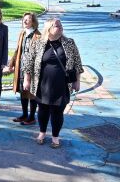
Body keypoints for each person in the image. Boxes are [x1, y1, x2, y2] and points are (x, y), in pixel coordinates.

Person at [23, 18, 83, 148]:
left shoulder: (69, 43)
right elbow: (28, 63)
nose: (61, 27)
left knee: (57, 112)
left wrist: (77, 81)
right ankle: (42, 133)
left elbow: (77, 63)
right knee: (43, 110)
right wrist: (27, 80)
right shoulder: (38, 43)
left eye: (61, 25)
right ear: (48, 29)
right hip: (42, 84)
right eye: (57, 26)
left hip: (61, 85)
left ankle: (55, 137)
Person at [9, 13, 41, 125]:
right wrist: (12, 62)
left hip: (32, 70)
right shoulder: (22, 33)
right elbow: (18, 49)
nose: (25, 21)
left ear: (33, 22)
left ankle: (32, 117)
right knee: (23, 91)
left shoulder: (38, 36)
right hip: (21, 67)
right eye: (24, 19)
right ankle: (24, 115)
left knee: (32, 92)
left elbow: (39, 55)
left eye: (28, 20)